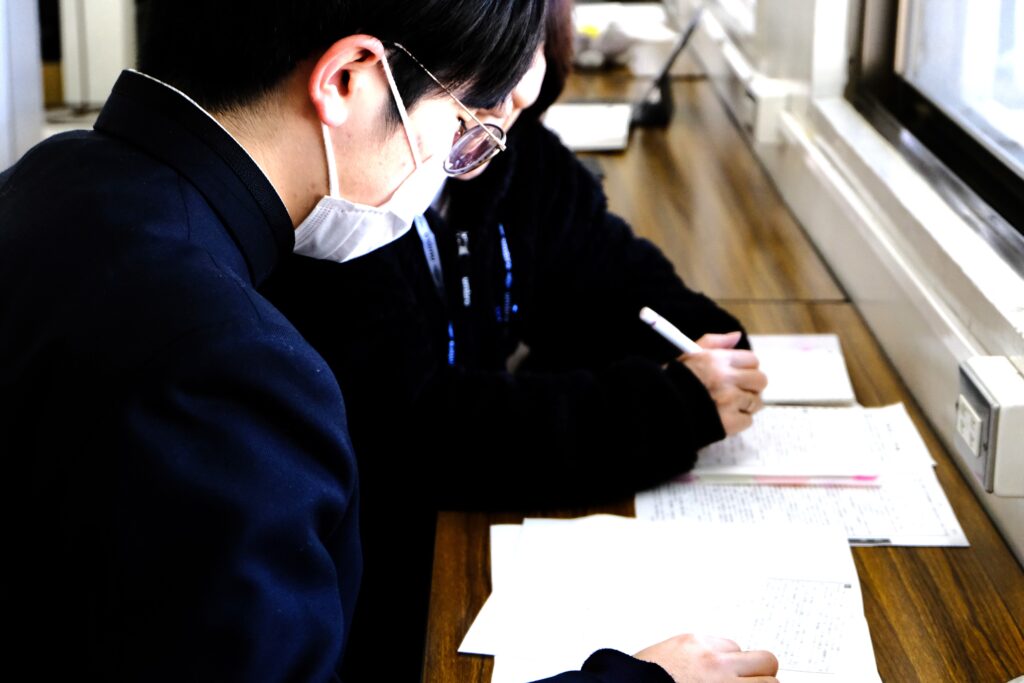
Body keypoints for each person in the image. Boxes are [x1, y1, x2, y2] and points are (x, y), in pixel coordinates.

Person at [0, 0, 545, 679]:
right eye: (461, 122)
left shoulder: (48, 174)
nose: (454, 160)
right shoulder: (230, 366)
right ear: (347, 77)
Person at [262, 0, 774, 681]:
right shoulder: (346, 207)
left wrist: (703, 357)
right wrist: (662, 406)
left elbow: (610, 279)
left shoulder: (516, 155)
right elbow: (418, 429)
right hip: (387, 572)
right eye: (483, 107)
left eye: (522, 101)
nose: (501, 125)